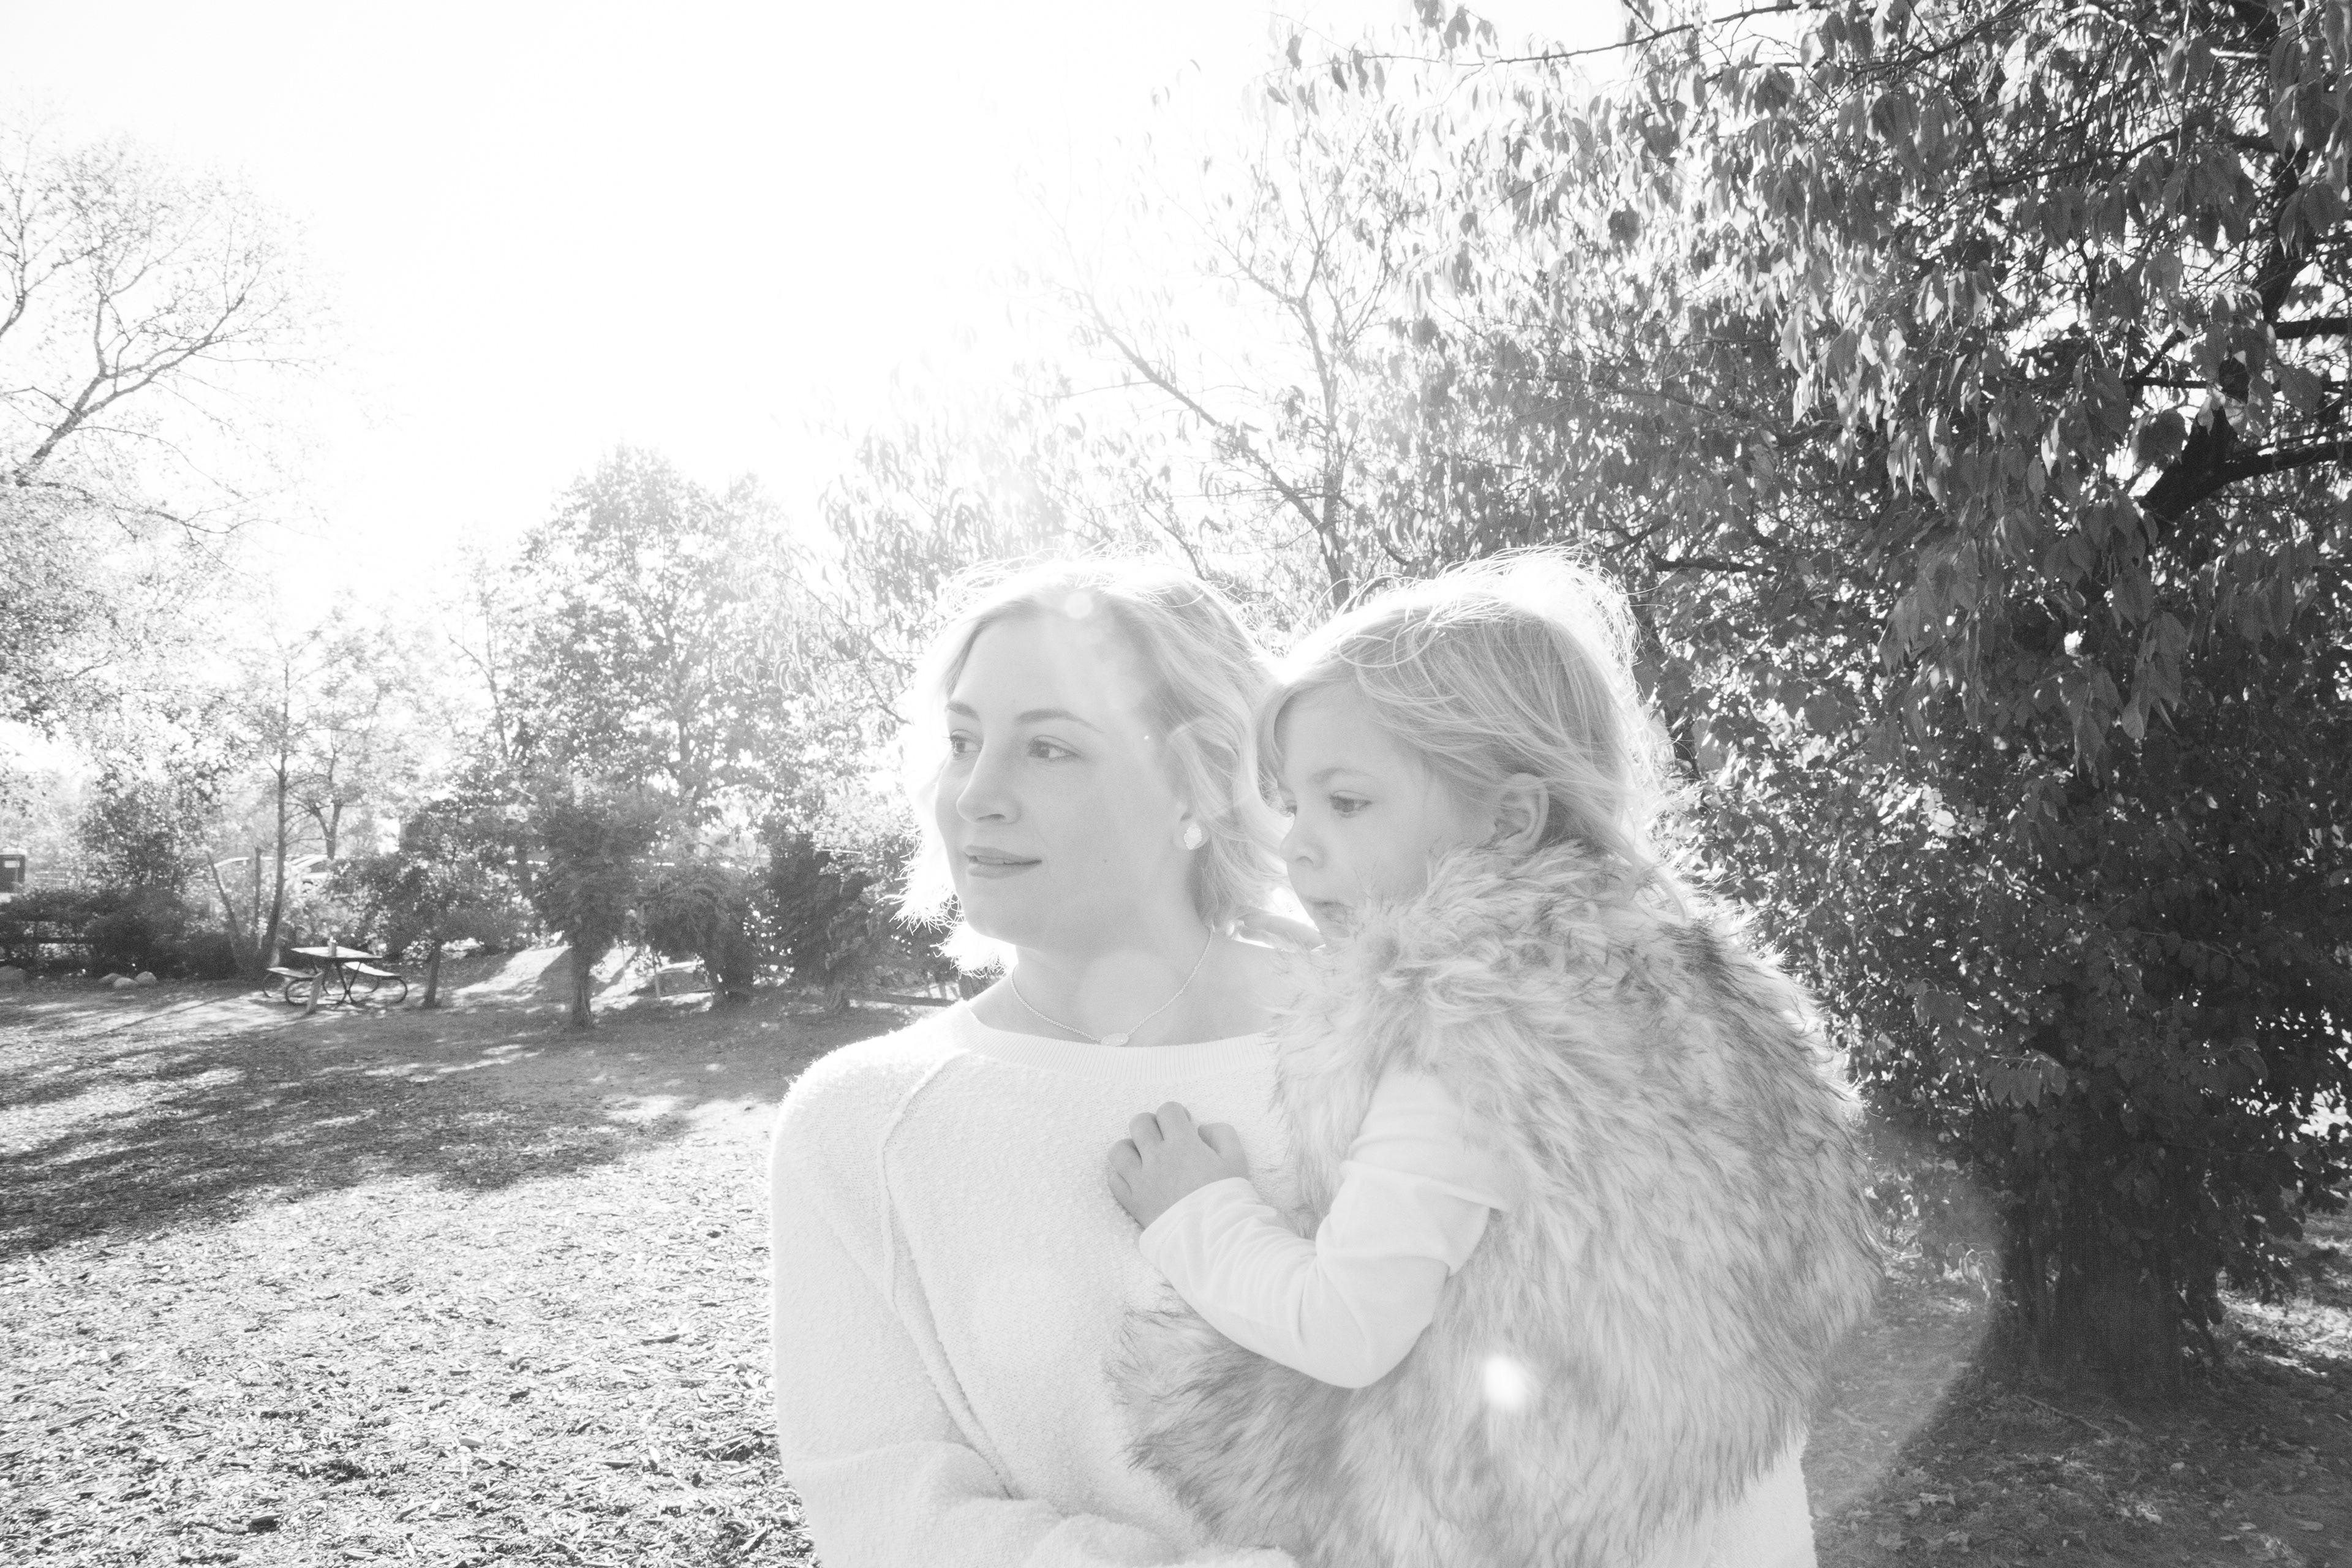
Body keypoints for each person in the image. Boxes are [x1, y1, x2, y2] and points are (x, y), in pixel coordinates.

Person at [1107, 552, 1882, 1568]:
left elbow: (1348, 1327)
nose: (1296, 848)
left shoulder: (1459, 1040)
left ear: (1509, 821)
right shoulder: (1659, 999)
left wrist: (1197, 1211)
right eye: (1292, 805)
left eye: (1348, 803)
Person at [767, 559, 1303, 1567]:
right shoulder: (860, 1124)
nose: (976, 795)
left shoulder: (1408, 1042)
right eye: (963, 741)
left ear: (1200, 780)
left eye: (1049, 747)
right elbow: (886, 1505)